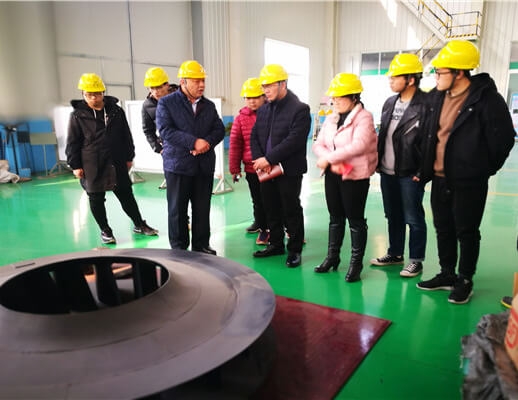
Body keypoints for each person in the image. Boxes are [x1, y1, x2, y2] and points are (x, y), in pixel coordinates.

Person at [416, 40, 515, 304]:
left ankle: (465, 280)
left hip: (469, 180)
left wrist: (482, 168)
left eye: (440, 72)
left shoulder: (486, 100)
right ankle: (447, 274)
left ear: (459, 72)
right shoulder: (437, 97)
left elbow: (504, 139)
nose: (436, 76)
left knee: (467, 231)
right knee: (443, 228)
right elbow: (430, 134)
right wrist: (424, 168)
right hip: (439, 178)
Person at [66, 73, 158, 244]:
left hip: (116, 160)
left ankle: (139, 224)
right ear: (83, 94)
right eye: (89, 94)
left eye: (97, 94)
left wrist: (129, 156)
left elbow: (126, 135)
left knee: (126, 194)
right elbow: (72, 142)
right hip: (92, 163)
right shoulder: (78, 115)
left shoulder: (115, 111)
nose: (93, 98)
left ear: (103, 92)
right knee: (96, 198)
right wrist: (75, 165)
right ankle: (105, 230)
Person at [312, 73, 378, 282]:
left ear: (354, 97)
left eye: (340, 97)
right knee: (335, 217)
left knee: (355, 220)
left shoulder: (364, 117)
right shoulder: (332, 117)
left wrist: (329, 158)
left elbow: (359, 145)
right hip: (333, 174)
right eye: (334, 97)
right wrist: (330, 160)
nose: (335, 101)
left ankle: (356, 264)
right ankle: (332, 257)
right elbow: (318, 144)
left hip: (355, 176)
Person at [156, 60, 225, 255]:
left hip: (203, 165)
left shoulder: (208, 106)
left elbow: (219, 129)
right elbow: (166, 130)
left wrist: (206, 143)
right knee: (177, 209)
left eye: (203, 80)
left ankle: (201, 245)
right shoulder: (167, 103)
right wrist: (193, 142)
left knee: (202, 208)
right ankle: (179, 248)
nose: (201, 85)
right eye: (196, 81)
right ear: (183, 82)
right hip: (178, 164)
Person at [370, 54, 428, 278]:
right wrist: (378, 161)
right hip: (387, 170)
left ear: (411, 79)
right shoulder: (389, 102)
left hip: (410, 172)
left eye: (395, 77)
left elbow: (431, 142)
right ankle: (395, 253)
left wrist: (422, 171)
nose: (390, 80)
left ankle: (416, 260)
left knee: (413, 217)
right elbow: (383, 135)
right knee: (393, 214)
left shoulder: (426, 105)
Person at [250, 64, 311, 268]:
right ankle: (275, 244)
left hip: (288, 170)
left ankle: (294, 250)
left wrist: (269, 159)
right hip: (266, 169)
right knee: (270, 207)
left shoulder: (300, 109)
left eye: (269, 86)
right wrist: (260, 159)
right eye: (263, 86)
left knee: (290, 208)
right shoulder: (264, 109)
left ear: (283, 84)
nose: (265, 90)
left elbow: (295, 140)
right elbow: (254, 136)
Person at [229, 78, 269, 245]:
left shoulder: (271, 113)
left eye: (256, 97)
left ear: (264, 97)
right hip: (252, 168)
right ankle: (259, 222)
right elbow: (235, 144)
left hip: (269, 167)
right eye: (248, 97)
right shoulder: (240, 118)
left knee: (269, 199)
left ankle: (268, 229)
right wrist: (234, 168)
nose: (252, 101)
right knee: (257, 199)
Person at [142, 67, 178, 154]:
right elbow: (148, 130)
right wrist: (159, 149)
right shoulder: (147, 106)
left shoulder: (182, 97)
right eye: (152, 88)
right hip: (169, 150)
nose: (155, 92)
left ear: (167, 85)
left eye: (158, 87)